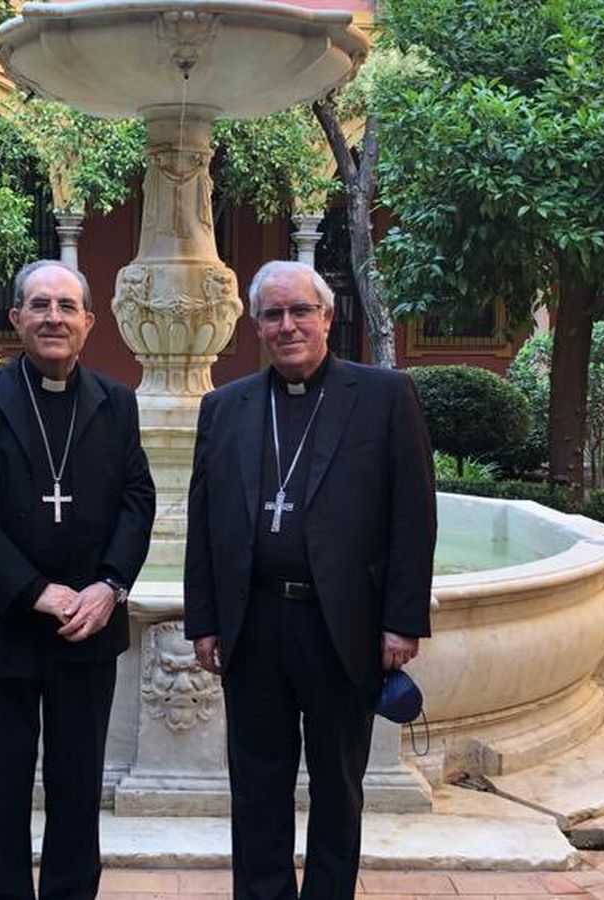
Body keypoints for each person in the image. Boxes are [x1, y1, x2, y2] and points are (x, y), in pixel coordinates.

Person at [183, 260, 436, 900]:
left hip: (341, 624)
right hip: (256, 623)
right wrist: (205, 620)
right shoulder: (225, 407)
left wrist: (402, 621)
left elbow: (413, 514)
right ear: (257, 325)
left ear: (327, 317)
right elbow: (204, 520)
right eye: (273, 314)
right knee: (257, 786)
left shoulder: (383, 396)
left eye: (301, 311)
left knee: (338, 785)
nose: (288, 325)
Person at [0, 259, 155, 900]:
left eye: (66, 306)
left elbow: (138, 498)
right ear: (16, 320)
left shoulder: (116, 403)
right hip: (0, 622)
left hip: (86, 627)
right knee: (1, 788)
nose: (53, 317)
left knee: (78, 786)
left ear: (89, 322)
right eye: (39, 305)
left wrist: (110, 585)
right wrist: (34, 590)